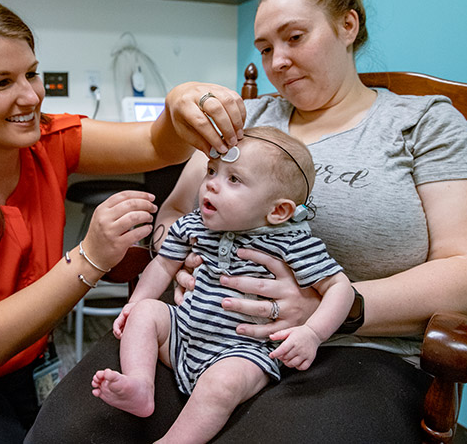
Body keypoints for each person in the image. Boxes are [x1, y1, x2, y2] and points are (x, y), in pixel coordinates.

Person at [26, 0, 467, 443]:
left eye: (295, 38)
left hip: (354, 351)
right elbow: (172, 214)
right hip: (199, 327)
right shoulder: (246, 120)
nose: (277, 62)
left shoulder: (422, 123)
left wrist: (327, 311)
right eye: (264, 47)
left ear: (347, 25)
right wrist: (182, 259)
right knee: (71, 431)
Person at [0, 0, 246, 444]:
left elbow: (158, 144)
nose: (30, 96)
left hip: (28, 369)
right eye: (0, 83)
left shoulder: (47, 141)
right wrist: (91, 255)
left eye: (31, 73)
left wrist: (179, 101)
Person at [92, 126, 354, 443]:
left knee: (222, 385)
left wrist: (313, 333)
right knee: (146, 312)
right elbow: (162, 264)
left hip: (245, 352)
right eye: (212, 171)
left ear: (278, 210)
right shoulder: (194, 225)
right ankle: (140, 386)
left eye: (233, 179)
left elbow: (340, 288)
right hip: (184, 333)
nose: (211, 186)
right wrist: (135, 305)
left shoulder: (292, 244)